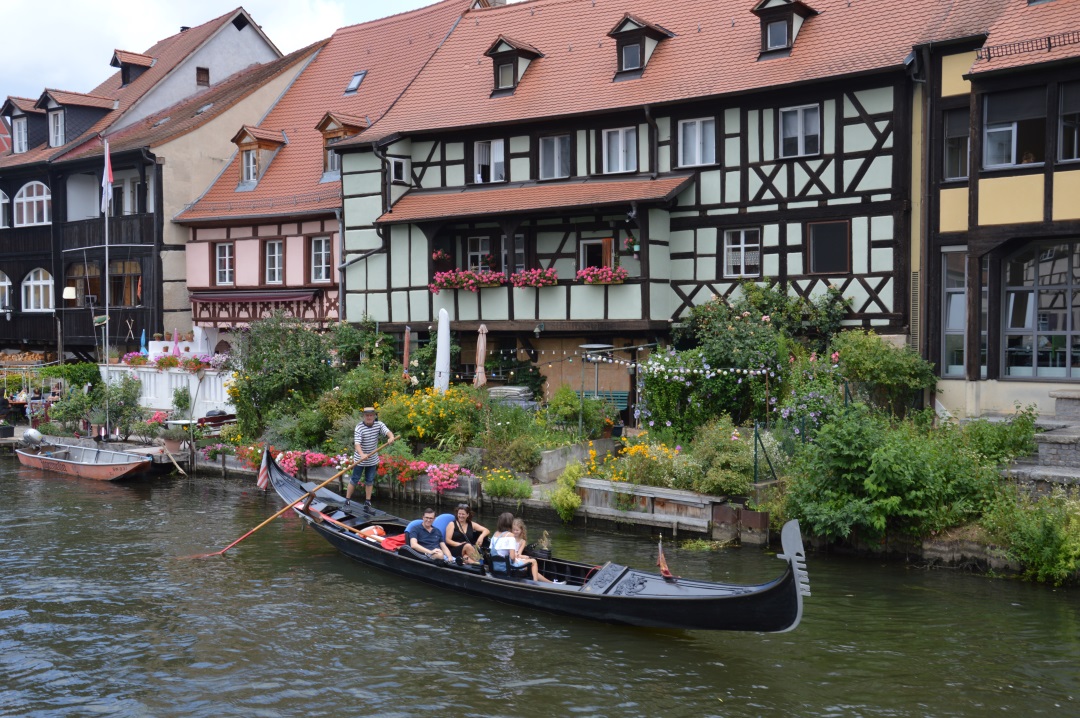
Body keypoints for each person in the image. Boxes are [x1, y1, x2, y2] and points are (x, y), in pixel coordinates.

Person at [345, 406, 395, 510]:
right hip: (360, 458)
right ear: (363, 416)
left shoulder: (379, 424)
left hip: (372, 458)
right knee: (354, 479)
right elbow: (357, 444)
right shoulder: (359, 427)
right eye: (367, 415)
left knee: (369, 480)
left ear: (374, 416)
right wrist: (362, 454)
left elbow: (388, 432)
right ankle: (347, 500)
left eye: (371, 415)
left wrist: (391, 437)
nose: (369, 417)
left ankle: (367, 502)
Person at [490, 512, 552, 583]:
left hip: (496, 566)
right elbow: (512, 558)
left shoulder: (495, 534)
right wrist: (518, 560)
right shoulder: (510, 535)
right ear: (510, 523)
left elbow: (492, 552)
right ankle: (535, 583)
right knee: (533, 561)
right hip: (507, 568)